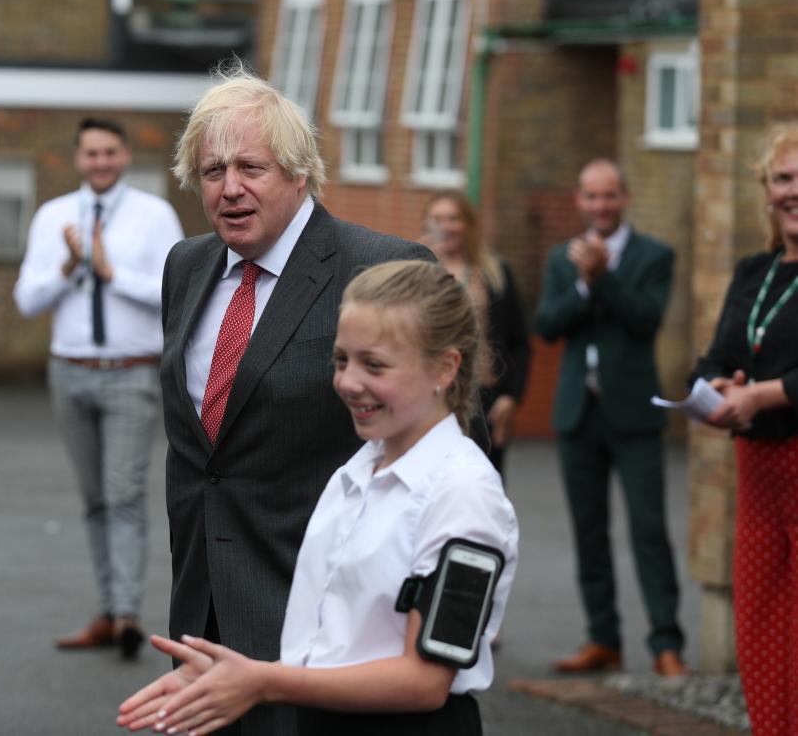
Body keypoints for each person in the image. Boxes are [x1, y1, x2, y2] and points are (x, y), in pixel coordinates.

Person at [120, 260, 518, 735]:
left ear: (446, 367)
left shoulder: (464, 493)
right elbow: (338, 638)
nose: (348, 382)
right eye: (341, 359)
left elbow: (426, 680)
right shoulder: (361, 467)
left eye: (375, 364)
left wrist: (264, 681)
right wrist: (229, 674)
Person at [159, 67, 432, 735]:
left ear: (299, 171)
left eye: (250, 166)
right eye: (213, 170)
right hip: (205, 615)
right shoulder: (186, 267)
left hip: (329, 625)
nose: (230, 188)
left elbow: (441, 454)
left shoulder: (381, 271)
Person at [14, 117, 184, 658]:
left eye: (110, 151)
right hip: (69, 371)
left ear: (126, 154)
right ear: (78, 158)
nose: (101, 162)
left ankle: (130, 612)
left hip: (129, 370)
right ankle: (108, 611)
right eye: (91, 153)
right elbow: (27, 300)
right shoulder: (53, 216)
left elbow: (177, 291)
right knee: (93, 500)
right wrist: (69, 266)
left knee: (124, 494)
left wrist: (112, 273)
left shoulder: (154, 216)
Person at [534, 159, 685, 676]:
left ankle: (666, 643)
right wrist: (581, 285)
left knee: (648, 529)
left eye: (610, 195)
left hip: (634, 414)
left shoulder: (654, 256)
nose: (601, 205)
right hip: (580, 412)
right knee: (589, 531)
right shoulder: (561, 258)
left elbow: (646, 322)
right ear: (580, 201)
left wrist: (603, 278)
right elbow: (548, 326)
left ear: (626, 198)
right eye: (592, 196)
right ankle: (604, 638)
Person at [690, 123, 798, 736]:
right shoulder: (755, 271)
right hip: (757, 482)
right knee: (758, 626)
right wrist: (718, 390)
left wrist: (765, 394)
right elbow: (713, 357)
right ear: (766, 189)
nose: (793, 191)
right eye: (783, 178)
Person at [421, 190, 530, 479]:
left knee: (484, 480)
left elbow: (519, 341)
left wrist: (511, 397)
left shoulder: (494, 272)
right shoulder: (414, 271)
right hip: (428, 397)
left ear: (468, 224)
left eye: (453, 218)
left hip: (483, 396)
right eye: (437, 219)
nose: (445, 226)